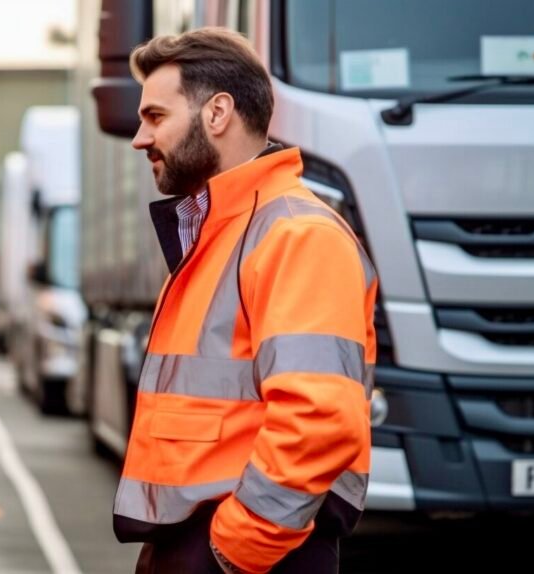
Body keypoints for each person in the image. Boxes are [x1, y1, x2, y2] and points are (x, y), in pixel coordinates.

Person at [112, 29, 378, 574]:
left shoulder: (297, 236)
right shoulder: (222, 232)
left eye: (156, 117)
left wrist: (232, 549)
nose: (140, 138)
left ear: (217, 113)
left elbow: (319, 421)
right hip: (203, 544)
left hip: (251, 554)